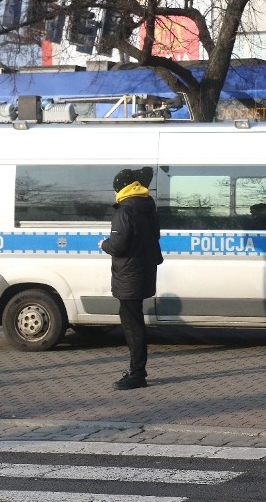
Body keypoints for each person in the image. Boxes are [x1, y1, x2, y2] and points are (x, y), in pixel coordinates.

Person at [99, 167, 163, 390]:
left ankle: (137, 374)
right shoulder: (147, 207)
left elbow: (119, 245)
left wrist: (104, 244)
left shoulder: (124, 211)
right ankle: (138, 370)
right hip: (143, 272)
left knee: (132, 326)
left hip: (128, 276)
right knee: (135, 324)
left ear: (120, 189)